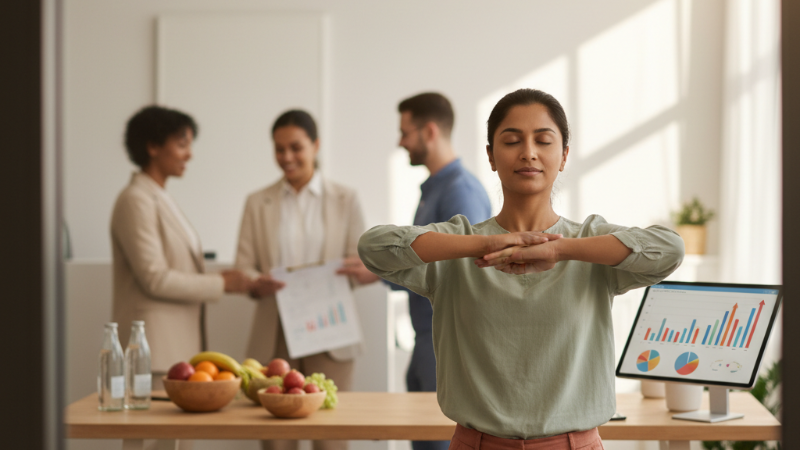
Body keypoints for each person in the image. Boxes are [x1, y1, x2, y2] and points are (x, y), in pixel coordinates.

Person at [358, 89, 684, 449]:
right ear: (491, 156)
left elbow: (670, 249)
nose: (528, 152)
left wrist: (560, 250)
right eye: (512, 140)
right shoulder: (457, 245)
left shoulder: (590, 244)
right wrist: (485, 244)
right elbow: (373, 247)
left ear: (563, 156)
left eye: (543, 140)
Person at [234, 109, 378, 450]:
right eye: (279, 149)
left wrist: (364, 270)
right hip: (275, 333)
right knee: (276, 441)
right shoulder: (257, 202)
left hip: (329, 333)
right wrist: (257, 281)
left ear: (315, 145)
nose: (286, 157)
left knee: (330, 438)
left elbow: (362, 261)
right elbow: (244, 267)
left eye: (295, 147)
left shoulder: (346, 199)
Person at [111, 105, 252, 389]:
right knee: (153, 434)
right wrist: (220, 283)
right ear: (152, 146)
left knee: (176, 434)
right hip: (154, 353)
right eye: (182, 145)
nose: (189, 154)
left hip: (175, 354)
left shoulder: (159, 198)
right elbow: (154, 277)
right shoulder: (136, 200)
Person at [390, 92, 493, 450]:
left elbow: (463, 273)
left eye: (405, 132)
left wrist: (384, 270)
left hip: (446, 348)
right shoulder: (436, 190)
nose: (400, 141)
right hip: (427, 344)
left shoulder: (460, 192)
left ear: (429, 131)